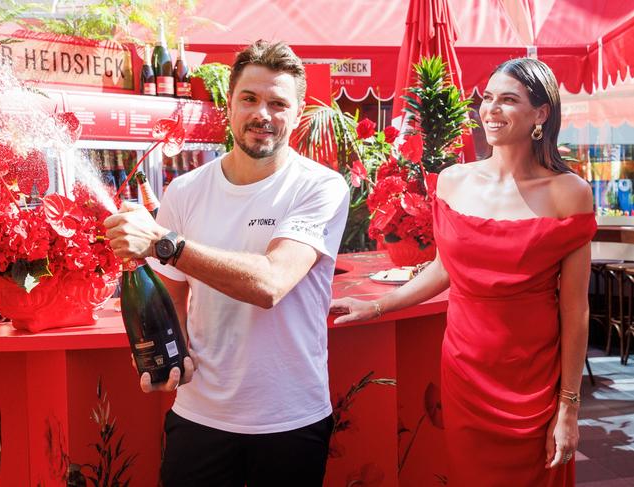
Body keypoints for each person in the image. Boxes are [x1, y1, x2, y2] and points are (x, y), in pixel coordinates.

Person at [331, 58, 595, 487]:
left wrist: (568, 407)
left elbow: (575, 308)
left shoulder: (569, 193)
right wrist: (374, 306)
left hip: (535, 380)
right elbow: (443, 270)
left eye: (508, 99)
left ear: (541, 114)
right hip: (466, 372)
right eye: (487, 97)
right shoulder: (453, 181)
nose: (491, 109)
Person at [104, 40, 349, 487]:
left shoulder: (320, 187)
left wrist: (165, 242)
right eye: (250, 99)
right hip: (198, 414)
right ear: (229, 107)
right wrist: (168, 358)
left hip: (290, 418)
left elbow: (271, 283)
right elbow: (172, 291)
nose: (263, 115)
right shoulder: (185, 190)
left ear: (297, 114)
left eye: (278, 103)